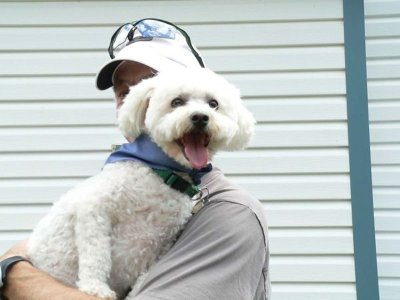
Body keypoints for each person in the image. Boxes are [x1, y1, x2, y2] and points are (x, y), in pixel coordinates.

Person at [0, 18, 270, 300]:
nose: (132, 101)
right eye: (123, 92)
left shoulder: (230, 211)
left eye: (150, 83)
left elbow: (16, 260)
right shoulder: (125, 179)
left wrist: (13, 274)